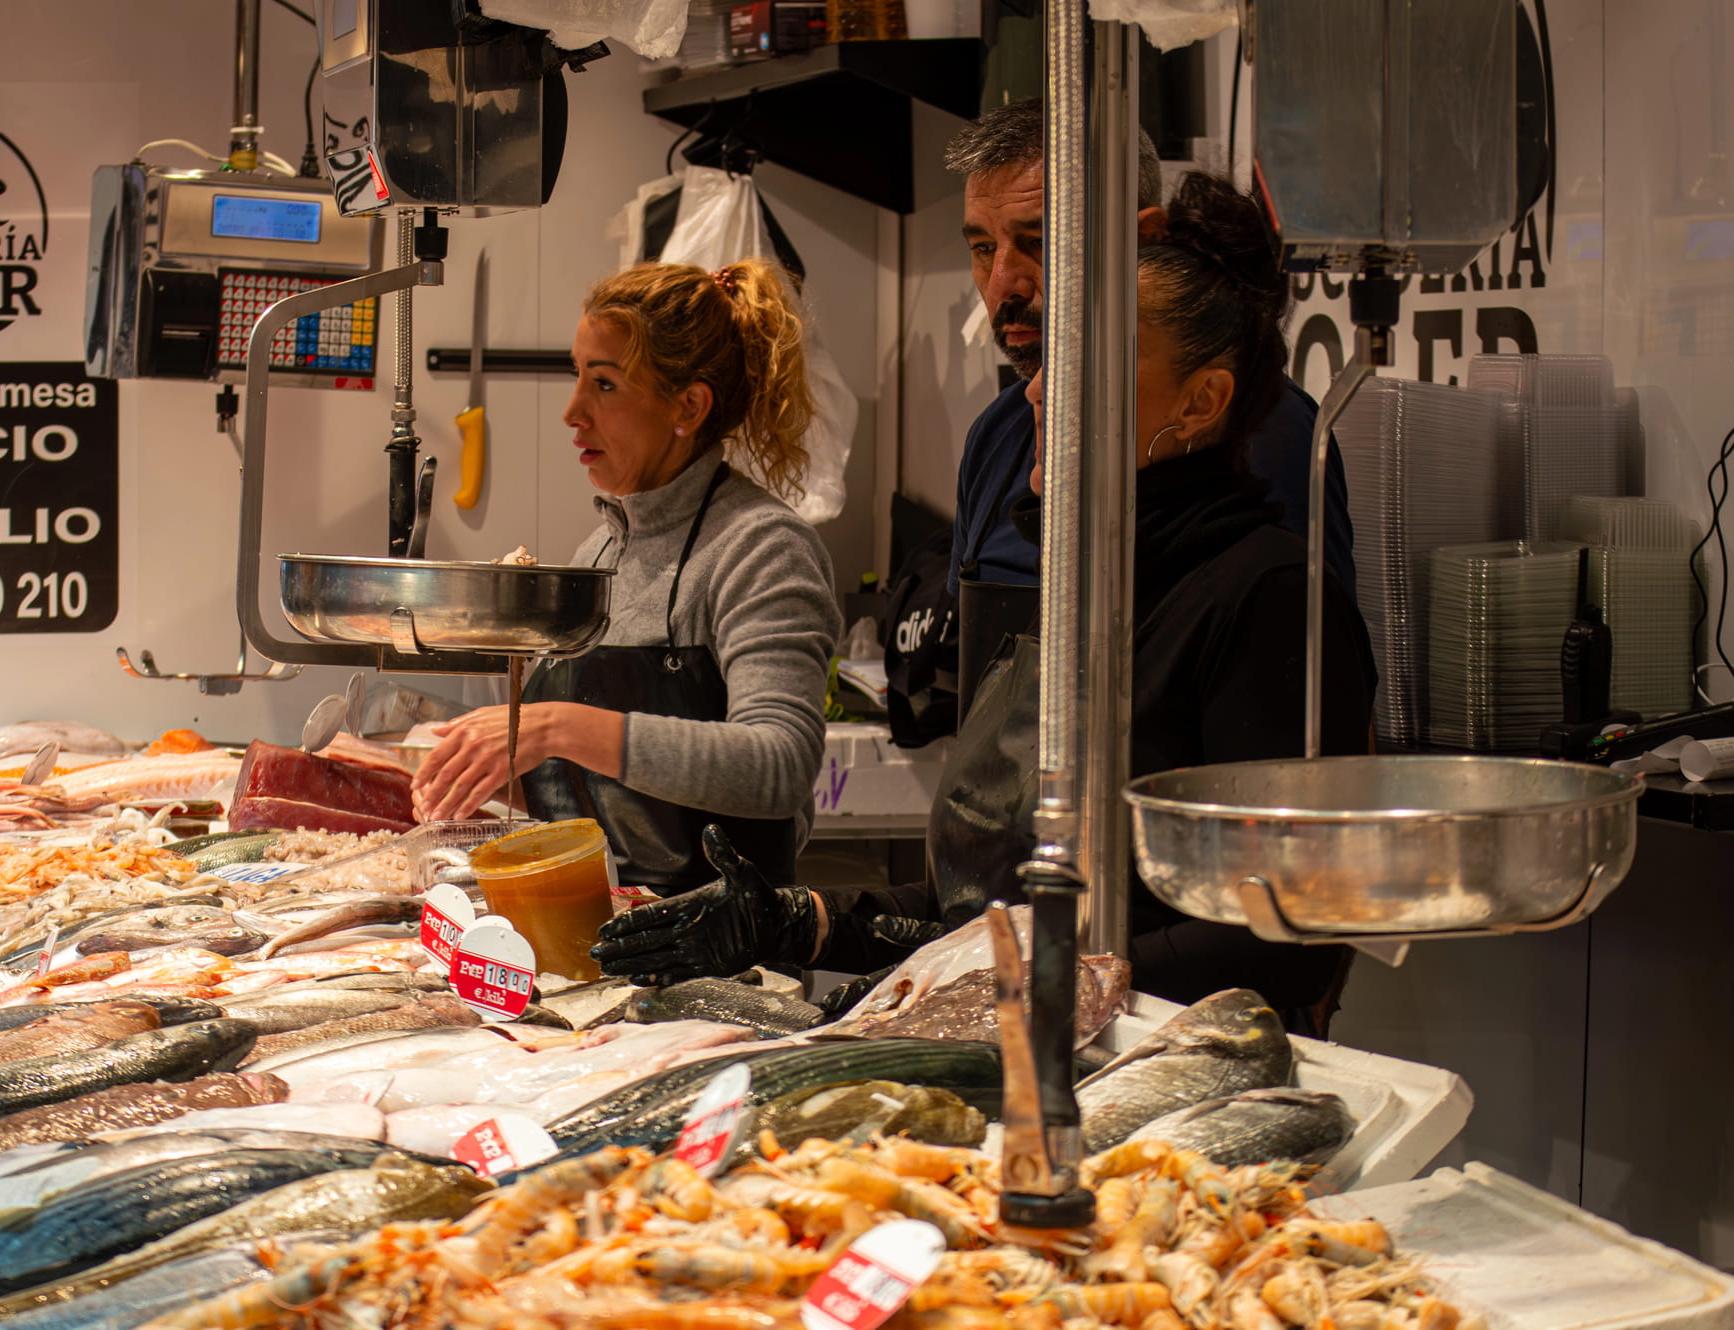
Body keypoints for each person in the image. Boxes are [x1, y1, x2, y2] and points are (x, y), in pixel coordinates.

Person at [591, 174, 1378, 1025]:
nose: (1038, 389)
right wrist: (802, 922)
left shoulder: (1265, 596)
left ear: (1200, 402)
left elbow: (1281, 944)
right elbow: (979, 906)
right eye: (1050, 361)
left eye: (1085, 362)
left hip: (1162, 1088)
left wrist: (1005, 985)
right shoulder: (1080, 590)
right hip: (1022, 1050)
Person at [411, 260, 843, 893]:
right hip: (593, 936)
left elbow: (779, 765)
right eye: (576, 375)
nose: (572, 411)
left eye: (605, 384)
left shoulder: (760, 546)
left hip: (718, 961)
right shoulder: (599, 552)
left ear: (688, 406)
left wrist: (554, 726)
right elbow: (595, 793)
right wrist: (462, 767)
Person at [944, 98, 1356, 609]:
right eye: (983, 248)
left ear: (1142, 238)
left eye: (1041, 241)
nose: (1004, 284)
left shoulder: (1263, 431)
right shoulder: (996, 432)